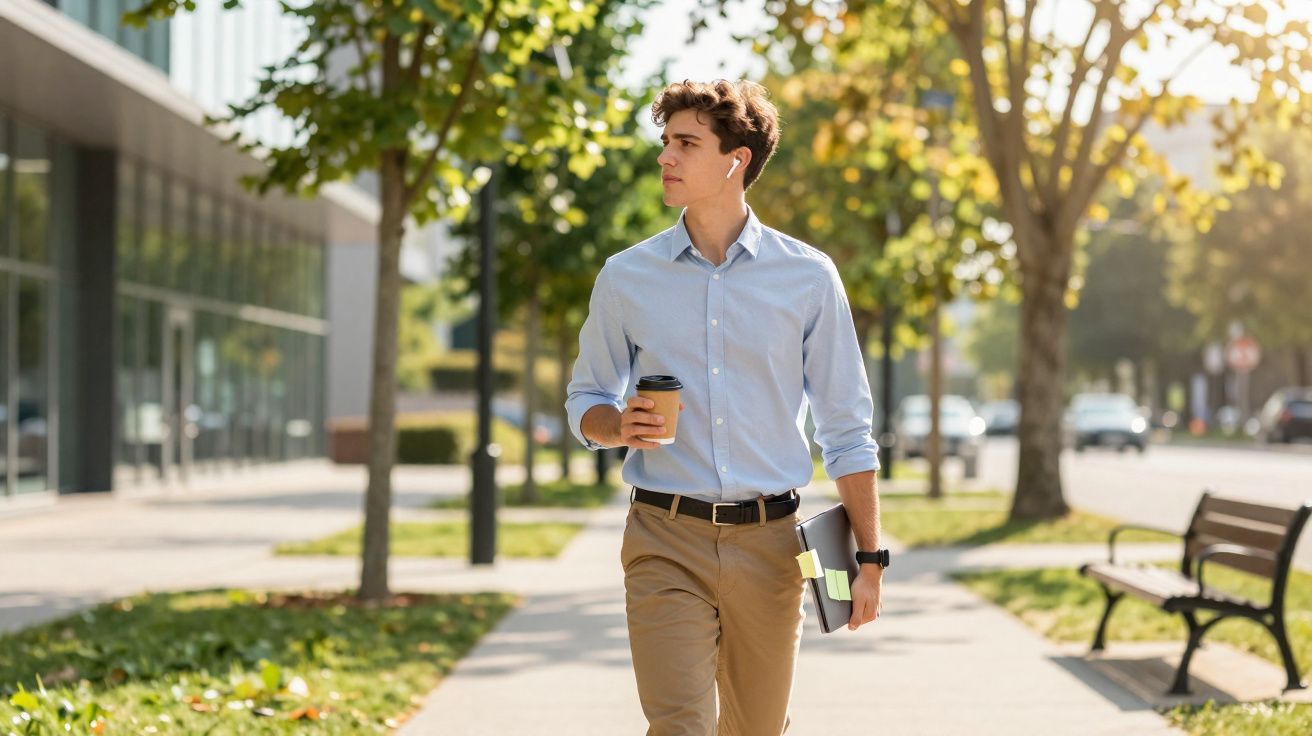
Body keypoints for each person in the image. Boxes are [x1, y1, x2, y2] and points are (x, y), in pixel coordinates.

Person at [565, 79, 883, 736]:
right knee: (679, 724)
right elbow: (586, 398)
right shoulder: (626, 277)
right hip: (664, 537)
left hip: (772, 544)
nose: (665, 157)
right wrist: (617, 424)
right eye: (665, 141)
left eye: (686, 143)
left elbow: (847, 429)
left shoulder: (808, 277)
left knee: (755, 729)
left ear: (736, 160)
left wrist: (870, 560)